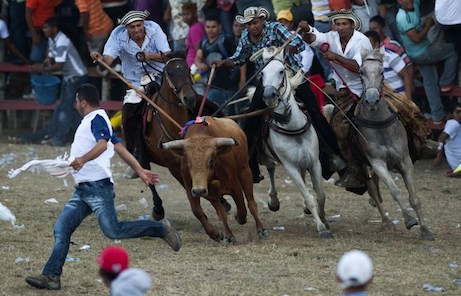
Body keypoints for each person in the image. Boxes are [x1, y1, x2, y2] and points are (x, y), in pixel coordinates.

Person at [25, 83, 181, 291]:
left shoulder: (97, 118)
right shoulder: (98, 120)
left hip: (97, 188)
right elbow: (119, 148)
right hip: (83, 190)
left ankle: (161, 228)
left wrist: (82, 159)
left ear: (82, 101)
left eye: (76, 101)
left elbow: (102, 144)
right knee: (62, 229)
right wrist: (141, 170)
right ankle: (51, 276)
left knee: (112, 229)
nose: (75, 105)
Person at [213, 6, 346, 183]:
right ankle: (251, 166)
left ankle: (336, 158)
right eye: (249, 24)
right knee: (251, 119)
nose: (252, 27)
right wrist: (223, 62)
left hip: (292, 76)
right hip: (267, 81)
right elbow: (239, 58)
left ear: (262, 21)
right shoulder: (246, 36)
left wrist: (283, 49)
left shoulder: (276, 28)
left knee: (315, 113)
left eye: (255, 22)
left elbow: (298, 44)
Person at [90, 10, 171, 178]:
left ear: (143, 25)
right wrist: (100, 58)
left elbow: (167, 56)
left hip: (161, 77)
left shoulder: (154, 29)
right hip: (135, 83)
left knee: (186, 97)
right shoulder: (117, 35)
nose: (136, 30)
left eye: (138, 26)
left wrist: (150, 56)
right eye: (132, 27)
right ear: (126, 28)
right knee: (127, 117)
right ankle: (137, 158)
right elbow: (108, 59)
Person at [300, 9, 372, 193]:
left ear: (352, 25)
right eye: (337, 24)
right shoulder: (331, 37)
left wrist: (335, 57)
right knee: (338, 129)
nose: (340, 28)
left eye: (344, 24)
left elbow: (357, 67)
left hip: (367, 88)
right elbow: (313, 39)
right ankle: (353, 171)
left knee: (403, 108)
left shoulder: (362, 40)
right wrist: (307, 29)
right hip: (344, 92)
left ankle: (421, 143)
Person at [396, 0, 458, 130]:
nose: (409, 1)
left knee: (429, 83)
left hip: (420, 51)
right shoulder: (402, 17)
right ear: (398, 1)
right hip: (421, 53)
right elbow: (416, 38)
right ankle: (446, 82)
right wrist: (428, 25)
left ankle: (437, 117)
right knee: (453, 49)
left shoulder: (415, 4)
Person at [27, 17, 88, 146]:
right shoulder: (52, 39)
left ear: (54, 29)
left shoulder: (62, 42)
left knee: (65, 109)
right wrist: (48, 60)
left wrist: (41, 68)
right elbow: (50, 53)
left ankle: (60, 138)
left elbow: (59, 66)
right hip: (70, 77)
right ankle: (61, 133)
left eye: (46, 27)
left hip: (76, 77)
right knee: (68, 107)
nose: (43, 30)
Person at [194, 15, 239, 114]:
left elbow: (240, 59)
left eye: (213, 27)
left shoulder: (226, 41)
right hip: (210, 84)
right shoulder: (204, 41)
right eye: (208, 27)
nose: (210, 30)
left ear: (220, 27)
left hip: (226, 86)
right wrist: (199, 64)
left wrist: (242, 80)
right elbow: (198, 57)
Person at [369, 14, 414, 99]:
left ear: (383, 29)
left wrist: (410, 86)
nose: (373, 31)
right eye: (371, 29)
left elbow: (408, 65)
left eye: (375, 29)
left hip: (401, 90)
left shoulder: (393, 45)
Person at [23, 0, 62, 99]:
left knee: (50, 60)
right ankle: (35, 90)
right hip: (38, 30)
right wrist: (34, 34)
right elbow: (28, 14)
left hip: (51, 30)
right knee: (35, 60)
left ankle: (49, 90)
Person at [432, 102, 461, 177]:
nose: (460, 114)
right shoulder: (453, 123)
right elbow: (441, 138)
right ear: (451, 115)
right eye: (457, 112)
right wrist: (439, 157)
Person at [182, 2, 205, 67]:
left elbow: (198, 50)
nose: (185, 17)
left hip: (195, 66)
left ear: (194, 14)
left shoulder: (194, 29)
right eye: (183, 14)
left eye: (188, 14)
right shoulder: (197, 25)